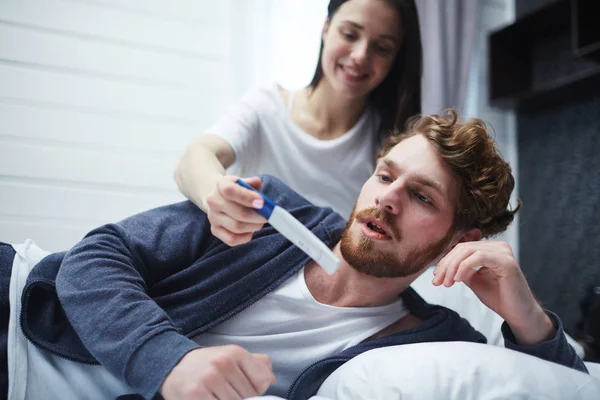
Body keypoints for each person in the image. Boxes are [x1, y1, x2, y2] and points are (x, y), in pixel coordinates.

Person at [2, 110, 587, 400]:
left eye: (420, 197)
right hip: (18, 311)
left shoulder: (433, 342)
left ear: (461, 240)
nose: (386, 198)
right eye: (386, 175)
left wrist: (529, 320)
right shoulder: (273, 213)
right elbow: (95, 256)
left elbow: (558, 392)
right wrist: (169, 361)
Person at [174, 0, 422, 246]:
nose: (360, 56)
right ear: (326, 28)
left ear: (395, 58)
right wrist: (217, 196)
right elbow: (194, 159)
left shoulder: (390, 145)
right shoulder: (266, 108)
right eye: (349, 34)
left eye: (382, 48)